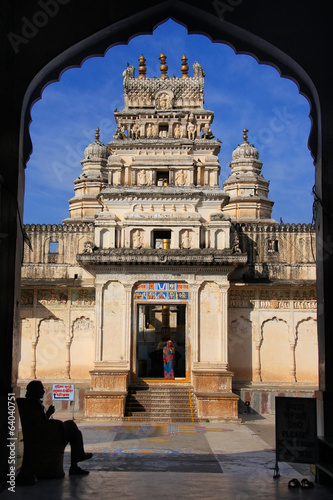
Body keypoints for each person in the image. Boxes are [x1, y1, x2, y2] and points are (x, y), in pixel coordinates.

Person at [25, 380, 93, 475]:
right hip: (44, 434)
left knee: (75, 431)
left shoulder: (30, 403)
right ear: (35, 391)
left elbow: (39, 422)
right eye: (41, 389)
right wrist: (49, 415)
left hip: (42, 432)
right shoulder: (34, 405)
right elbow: (41, 423)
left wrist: (48, 414)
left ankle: (76, 463)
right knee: (72, 427)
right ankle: (76, 462)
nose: (43, 392)